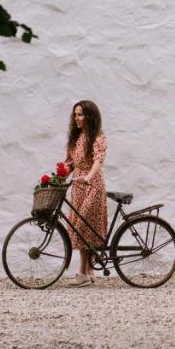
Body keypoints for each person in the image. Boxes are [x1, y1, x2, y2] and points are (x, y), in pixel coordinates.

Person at [61, 100, 108, 286]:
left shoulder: (98, 137)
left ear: (90, 116)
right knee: (81, 228)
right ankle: (88, 272)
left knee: (83, 227)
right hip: (78, 186)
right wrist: (58, 175)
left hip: (93, 185)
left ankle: (82, 273)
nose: (77, 118)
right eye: (75, 114)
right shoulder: (76, 138)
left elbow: (98, 160)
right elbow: (70, 163)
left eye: (80, 114)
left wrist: (89, 176)